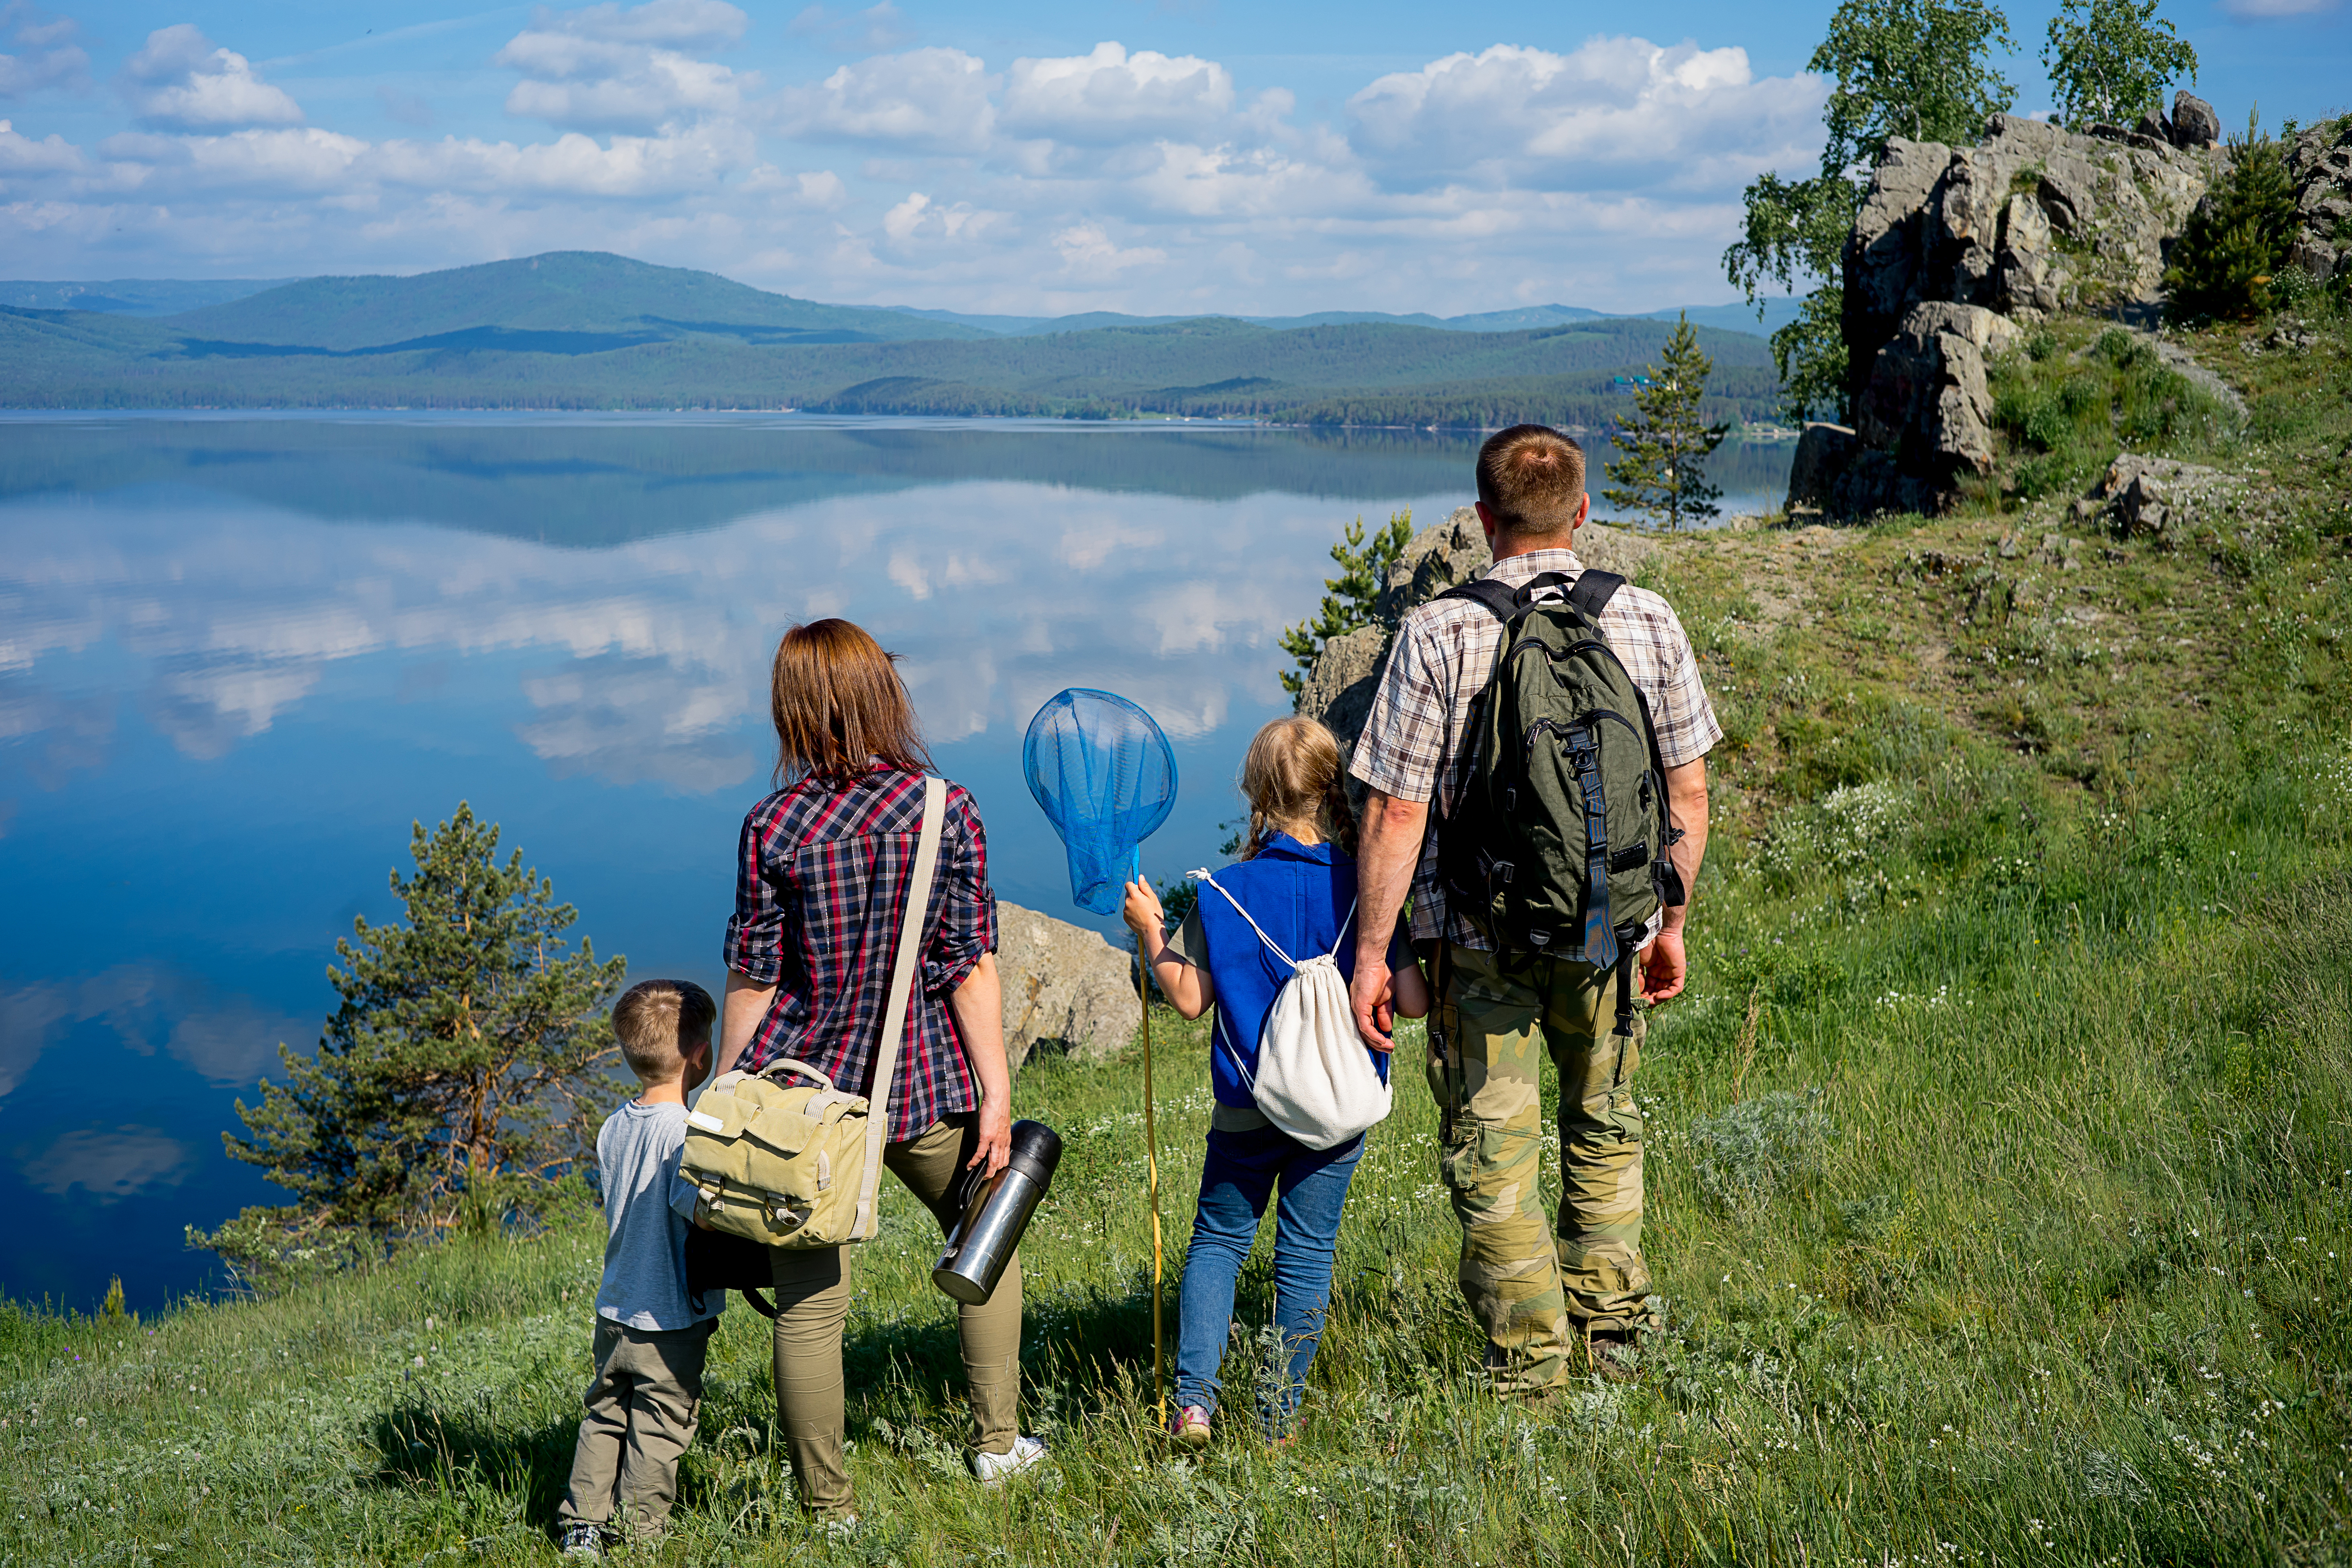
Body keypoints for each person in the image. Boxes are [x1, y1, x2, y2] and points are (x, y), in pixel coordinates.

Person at [1345, 424, 1717, 1395]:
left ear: (1482, 520)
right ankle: (1613, 1341)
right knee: (1602, 1124)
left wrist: (1374, 955)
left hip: (1482, 942)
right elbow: (1688, 796)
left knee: (1493, 1150)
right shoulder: (1648, 620)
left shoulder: (1439, 634)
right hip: (1609, 937)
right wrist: (1668, 922)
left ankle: (1530, 1367)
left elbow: (1395, 811)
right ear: (1581, 513)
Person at [719, 618, 1044, 1525]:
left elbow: (754, 975)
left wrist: (725, 1093)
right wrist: (997, 1094)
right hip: (925, 1083)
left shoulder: (771, 826)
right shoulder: (946, 808)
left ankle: (829, 1513)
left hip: (803, 1102)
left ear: (792, 710)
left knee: (809, 1308)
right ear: (881, 696)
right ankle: (995, 1446)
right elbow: (966, 962)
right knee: (986, 1236)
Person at [1121, 716, 1429, 1448]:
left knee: (1220, 1240)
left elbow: (1190, 999)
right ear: (1333, 791)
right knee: (1306, 1253)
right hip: (1336, 1108)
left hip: (1247, 1106)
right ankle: (1277, 1420)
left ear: (1257, 793)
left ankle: (1194, 1403)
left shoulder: (1225, 892)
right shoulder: (1368, 888)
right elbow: (1413, 1000)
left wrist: (1149, 932)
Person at [557, 978, 725, 1557]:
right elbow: (698, 1215)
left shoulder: (614, 1126)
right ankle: (641, 1532)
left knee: (605, 1413)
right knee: (660, 1422)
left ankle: (583, 1524)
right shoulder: (686, 1134)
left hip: (615, 1306)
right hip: (669, 1315)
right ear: (699, 1054)